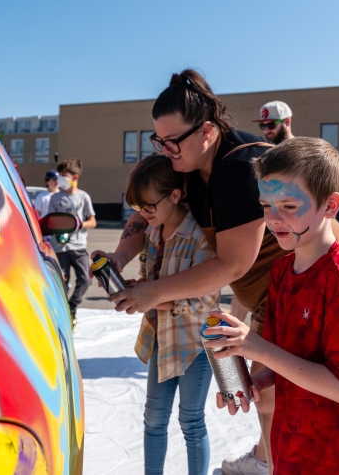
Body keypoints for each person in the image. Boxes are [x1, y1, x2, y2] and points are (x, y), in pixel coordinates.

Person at [93, 69, 339, 475]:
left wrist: (153, 292)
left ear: (207, 131)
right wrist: (120, 256)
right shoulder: (183, 162)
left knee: (301, 396)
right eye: (157, 140)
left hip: (297, 286)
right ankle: (268, 459)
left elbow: (233, 263)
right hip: (268, 290)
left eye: (172, 140)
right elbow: (145, 208)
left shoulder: (239, 168)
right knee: (266, 389)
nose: (164, 150)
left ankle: (274, 463)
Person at [205, 138, 339, 474]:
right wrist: (258, 382)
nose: (273, 219)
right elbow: (290, 358)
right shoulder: (282, 271)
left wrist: (257, 348)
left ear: (330, 205)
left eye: (288, 206)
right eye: (265, 205)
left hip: (334, 455)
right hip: (289, 443)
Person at [119, 154, 219, 475]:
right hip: (161, 337)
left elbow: (200, 302)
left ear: (175, 196)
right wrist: (135, 287)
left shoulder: (200, 237)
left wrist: (148, 298)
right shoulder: (152, 232)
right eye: (137, 208)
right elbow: (154, 284)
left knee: (191, 421)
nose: (143, 214)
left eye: (149, 206)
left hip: (196, 345)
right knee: (154, 419)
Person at [48, 158, 96, 321]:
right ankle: (63, 314)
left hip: (78, 247)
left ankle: (72, 306)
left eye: (63, 176)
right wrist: (58, 231)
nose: (59, 179)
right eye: (59, 175)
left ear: (75, 177)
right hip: (60, 248)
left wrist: (77, 224)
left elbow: (93, 221)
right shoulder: (54, 198)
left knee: (86, 279)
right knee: (62, 282)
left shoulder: (83, 197)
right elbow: (50, 221)